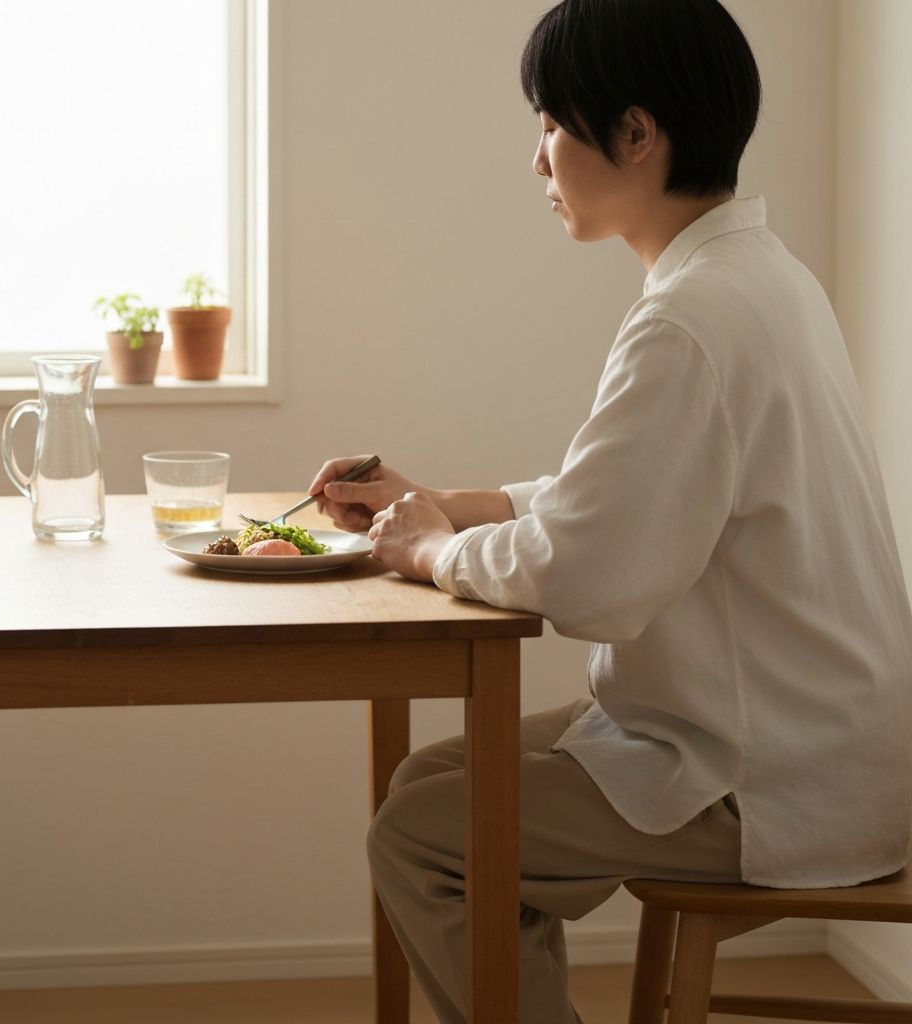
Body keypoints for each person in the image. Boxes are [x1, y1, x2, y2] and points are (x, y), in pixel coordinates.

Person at [308, 1, 912, 1021]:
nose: (536, 161)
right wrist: (446, 504)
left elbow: (589, 570)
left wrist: (430, 555)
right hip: (816, 738)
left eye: (550, 123)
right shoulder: (758, 278)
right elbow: (639, 496)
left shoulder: (688, 317)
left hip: (765, 773)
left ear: (635, 134)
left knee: (421, 836)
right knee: (426, 788)